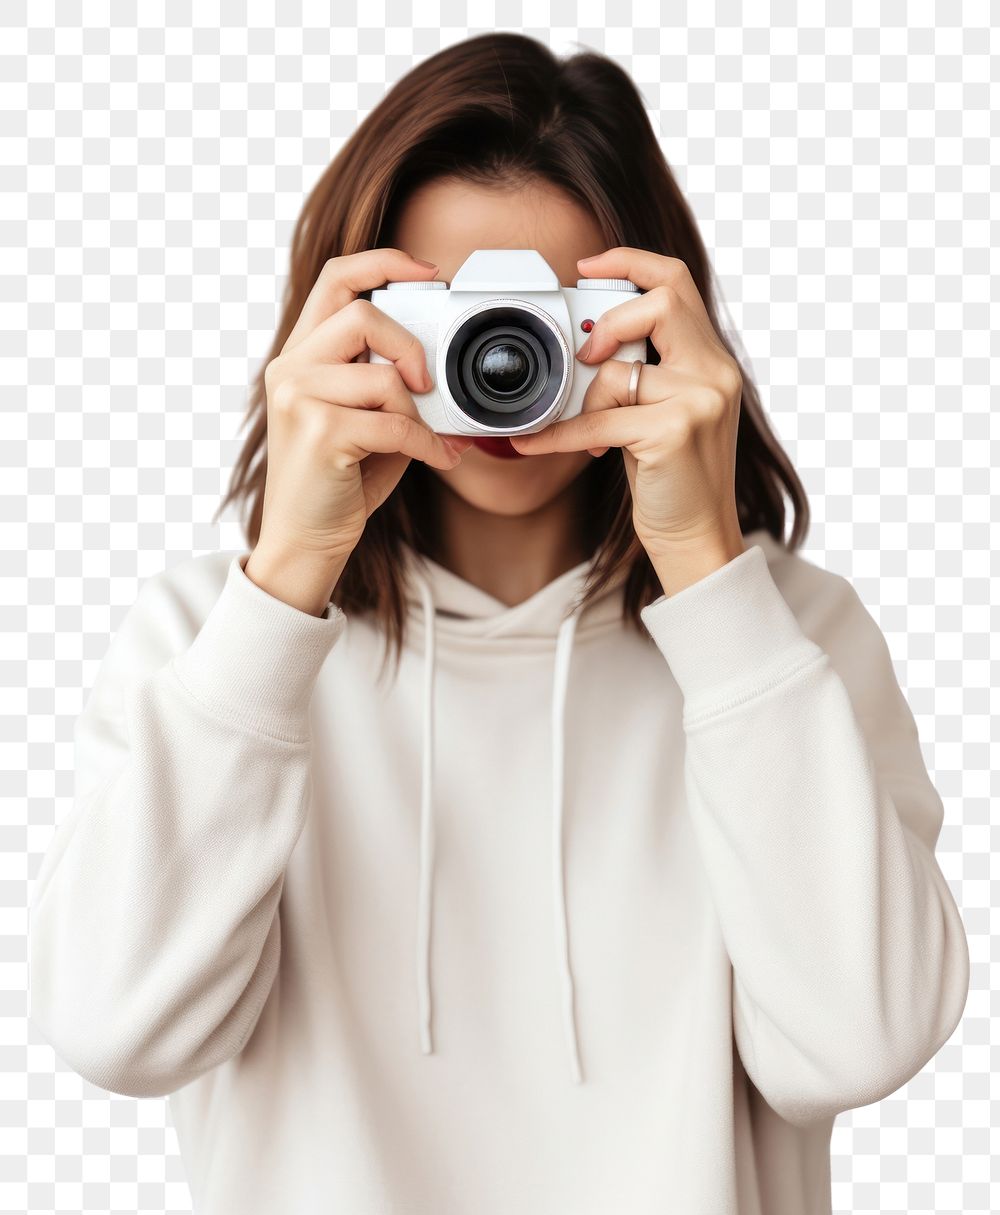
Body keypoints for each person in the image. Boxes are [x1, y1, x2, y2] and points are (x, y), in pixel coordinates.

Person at [28, 31, 969, 1215]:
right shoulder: (215, 638)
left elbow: (860, 1043)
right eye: (447, 310)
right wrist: (286, 581)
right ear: (344, 315)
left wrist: (709, 580)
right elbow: (117, 1034)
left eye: (558, 312)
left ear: (661, 321)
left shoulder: (791, 638)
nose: (499, 352)